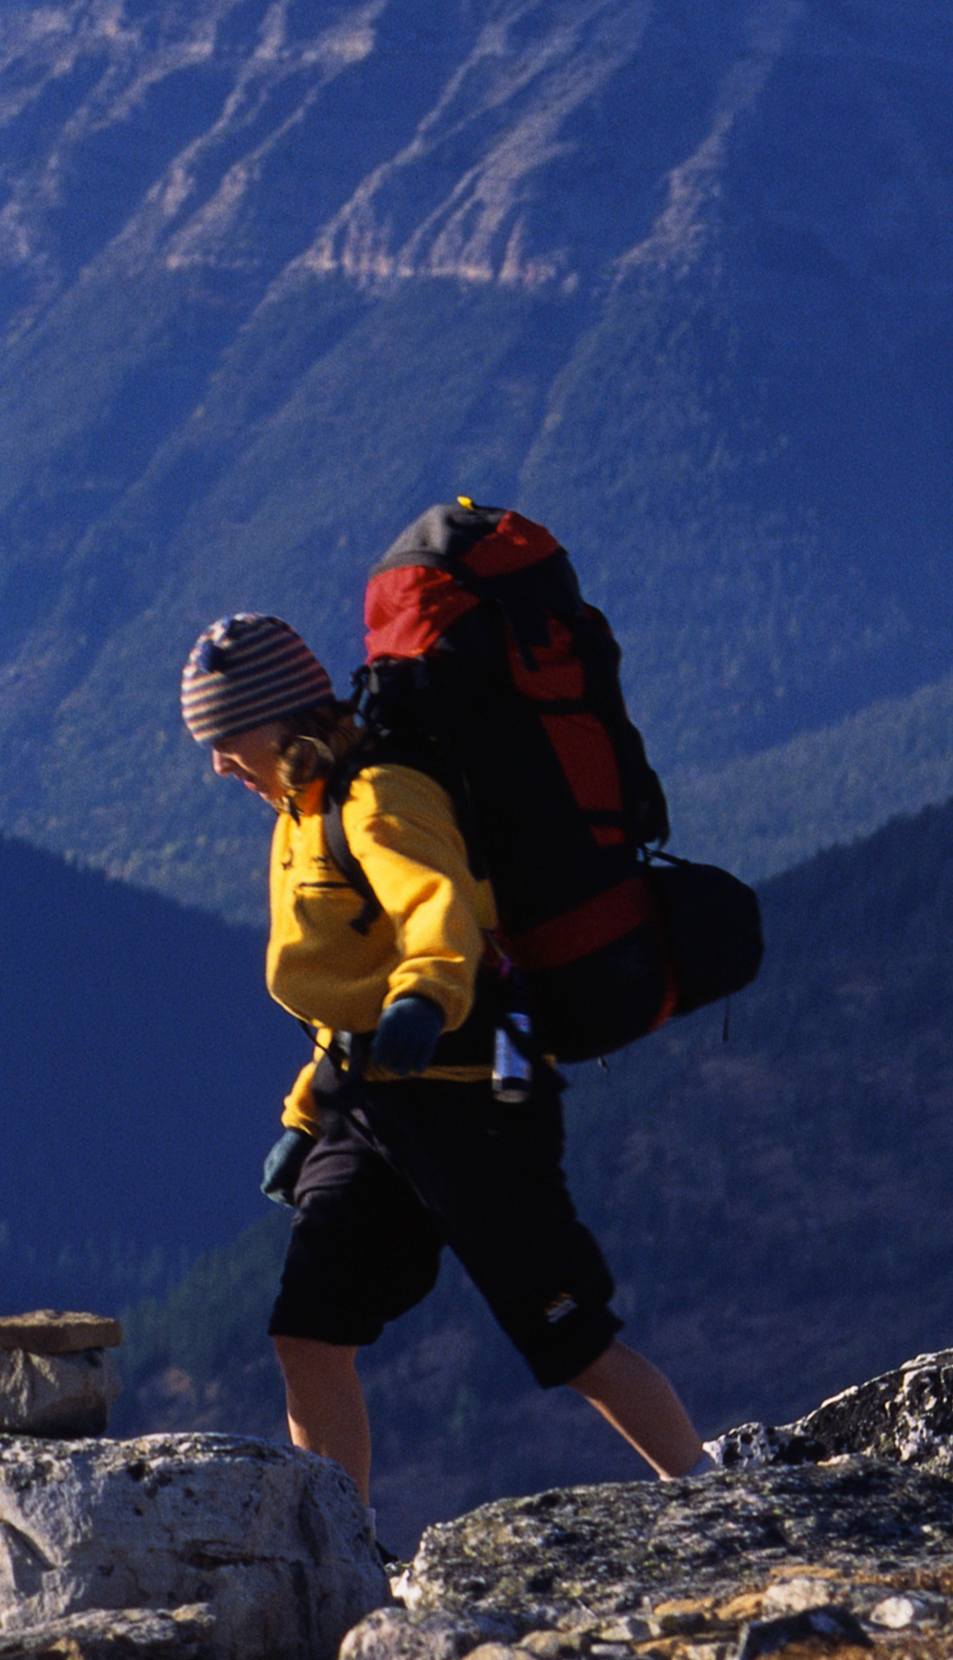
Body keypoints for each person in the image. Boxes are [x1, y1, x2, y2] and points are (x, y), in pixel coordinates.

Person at [182, 614, 699, 1501]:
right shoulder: (298, 813)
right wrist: (309, 1119)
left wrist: (425, 995)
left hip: (468, 1094)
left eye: (226, 741)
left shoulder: (378, 793)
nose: (218, 765)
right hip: (369, 1101)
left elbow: (440, 913)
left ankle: (720, 1499)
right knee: (307, 1333)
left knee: (568, 1333)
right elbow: (347, 983)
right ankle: (340, 1551)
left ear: (277, 721)